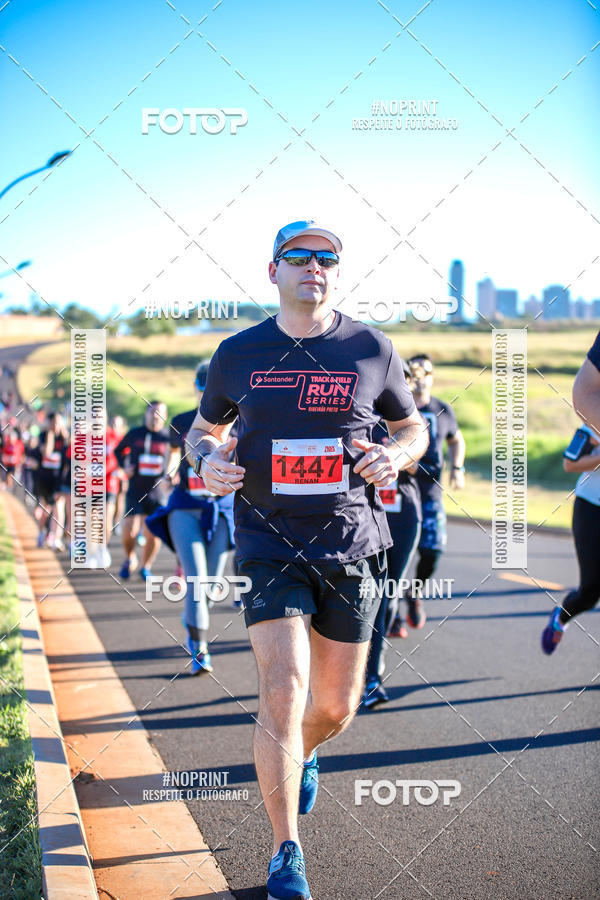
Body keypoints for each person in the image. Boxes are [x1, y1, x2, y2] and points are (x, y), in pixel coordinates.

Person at [185, 219, 428, 900]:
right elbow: (203, 430)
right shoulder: (238, 352)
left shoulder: (371, 348)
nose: (314, 266)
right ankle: (284, 852)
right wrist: (206, 462)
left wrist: (397, 453)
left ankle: (306, 751)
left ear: (336, 273)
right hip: (268, 543)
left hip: (352, 543)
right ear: (274, 271)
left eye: (326, 257)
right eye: (299, 256)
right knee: (283, 690)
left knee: (335, 706)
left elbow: (413, 425)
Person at [146, 361, 235, 674]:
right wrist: (167, 474)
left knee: (210, 585)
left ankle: (192, 621)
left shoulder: (239, 421)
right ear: (198, 388)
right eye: (204, 386)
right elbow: (173, 454)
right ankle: (199, 647)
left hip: (222, 509)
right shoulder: (183, 421)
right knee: (197, 580)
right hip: (185, 507)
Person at [389, 354, 466, 634]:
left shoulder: (442, 409)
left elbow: (456, 439)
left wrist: (457, 468)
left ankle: (415, 593)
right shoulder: (395, 410)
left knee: (432, 551)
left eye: (427, 373)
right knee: (394, 557)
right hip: (398, 496)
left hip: (431, 493)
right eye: (415, 372)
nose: (421, 379)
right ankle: (392, 616)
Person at [362, 364, 423, 708]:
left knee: (387, 594)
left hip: (403, 515)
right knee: (366, 595)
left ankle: (373, 672)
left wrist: (393, 450)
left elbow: (417, 465)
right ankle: (361, 675)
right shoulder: (361, 415)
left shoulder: (415, 425)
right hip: (364, 517)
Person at [542, 331, 600, 653]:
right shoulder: (592, 423)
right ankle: (561, 618)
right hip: (592, 507)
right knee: (590, 591)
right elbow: (569, 463)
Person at [114, 401, 175, 580]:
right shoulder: (135, 434)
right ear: (146, 414)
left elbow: (177, 456)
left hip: (158, 492)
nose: (155, 415)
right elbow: (118, 451)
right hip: (135, 489)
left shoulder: (168, 437)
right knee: (129, 531)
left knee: (153, 534)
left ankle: (145, 566)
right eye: (152, 412)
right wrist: (124, 467)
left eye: (159, 412)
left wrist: (172, 474)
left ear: (165, 416)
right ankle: (130, 558)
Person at [35, 411, 69, 549]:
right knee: (46, 510)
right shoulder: (43, 435)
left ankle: (56, 539)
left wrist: (66, 438)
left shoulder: (64, 437)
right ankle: (42, 533)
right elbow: (47, 453)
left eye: (59, 422)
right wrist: (50, 435)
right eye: (54, 422)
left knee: (59, 509)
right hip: (44, 478)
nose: (56, 425)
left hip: (58, 479)